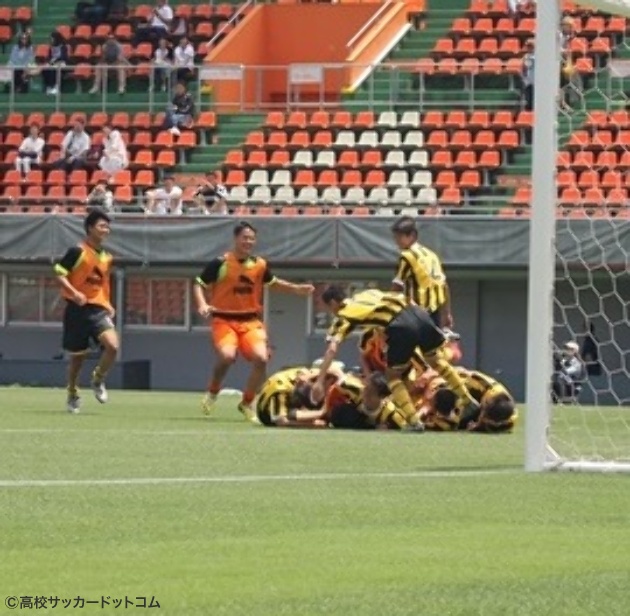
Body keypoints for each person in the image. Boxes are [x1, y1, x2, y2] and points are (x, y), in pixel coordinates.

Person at [193, 221, 315, 422]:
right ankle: (213, 392)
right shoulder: (220, 263)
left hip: (250, 321)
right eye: (245, 238)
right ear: (236, 239)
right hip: (224, 319)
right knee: (226, 356)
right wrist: (202, 304)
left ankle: (247, 402)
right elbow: (198, 284)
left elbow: (272, 282)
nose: (248, 242)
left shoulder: (259, 264)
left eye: (252, 238)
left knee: (261, 358)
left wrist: (296, 289)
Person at [311, 287, 477, 425]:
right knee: (436, 360)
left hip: (400, 326)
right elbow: (399, 296)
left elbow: (332, 349)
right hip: (417, 313)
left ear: (333, 303)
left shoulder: (344, 316)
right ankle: (467, 399)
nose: (331, 313)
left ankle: (413, 422)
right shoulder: (367, 294)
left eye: (328, 308)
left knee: (392, 376)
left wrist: (319, 381)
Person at [53, 210, 119, 414]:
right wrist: (74, 293)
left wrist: (108, 303)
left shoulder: (107, 257)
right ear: (90, 228)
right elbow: (59, 273)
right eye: (101, 226)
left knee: (113, 346)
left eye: (107, 226)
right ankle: (72, 392)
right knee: (77, 358)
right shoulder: (77, 251)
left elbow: (104, 283)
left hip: (98, 308)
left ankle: (98, 379)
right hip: (77, 310)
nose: (105, 229)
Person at [390, 216, 457, 338]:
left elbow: (397, 286)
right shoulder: (432, 256)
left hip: (416, 314)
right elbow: (444, 286)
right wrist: (447, 313)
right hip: (434, 314)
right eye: (395, 237)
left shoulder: (407, 256)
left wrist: (389, 310)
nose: (396, 241)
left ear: (412, 235)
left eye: (399, 237)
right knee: (431, 353)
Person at [41, 31, 68, 96]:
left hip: (61, 63)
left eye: (52, 38)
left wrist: (55, 60)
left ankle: (56, 87)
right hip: (52, 63)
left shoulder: (63, 46)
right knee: (45, 70)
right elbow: (49, 57)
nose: (51, 40)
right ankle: (49, 86)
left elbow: (64, 57)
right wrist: (49, 61)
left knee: (55, 70)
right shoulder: (51, 47)